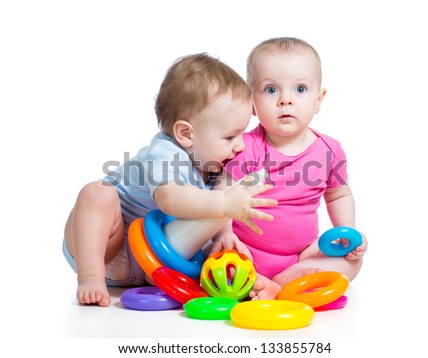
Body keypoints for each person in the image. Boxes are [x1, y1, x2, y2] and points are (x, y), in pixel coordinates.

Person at [63, 53, 278, 306]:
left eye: (242, 134)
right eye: (231, 137)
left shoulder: (214, 163)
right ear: (185, 133)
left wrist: (223, 234)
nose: (240, 146)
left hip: (152, 261)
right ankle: (90, 277)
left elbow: (213, 212)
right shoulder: (165, 154)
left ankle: (245, 285)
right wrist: (224, 203)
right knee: (97, 193)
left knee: (220, 248)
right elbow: (171, 199)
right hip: (108, 247)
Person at [211, 37, 368, 300]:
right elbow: (221, 195)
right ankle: (264, 282)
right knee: (219, 260)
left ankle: (288, 278)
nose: (285, 100)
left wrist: (348, 233)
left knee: (352, 263)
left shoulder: (330, 151)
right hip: (248, 250)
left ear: (318, 100)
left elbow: (339, 194)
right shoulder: (246, 147)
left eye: (300, 89)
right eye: (271, 90)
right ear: (252, 102)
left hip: (304, 252)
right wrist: (226, 235)